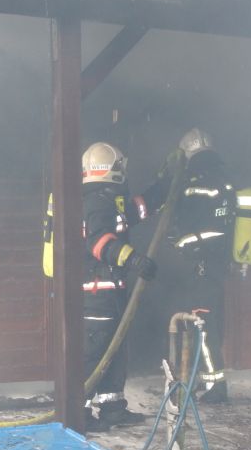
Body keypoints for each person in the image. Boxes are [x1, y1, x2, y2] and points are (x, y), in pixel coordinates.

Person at [81, 141, 172, 431]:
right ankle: (78, 412)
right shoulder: (95, 202)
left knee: (115, 349)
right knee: (95, 352)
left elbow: (135, 211)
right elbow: (98, 242)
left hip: (111, 291)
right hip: (96, 293)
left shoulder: (108, 200)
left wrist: (163, 187)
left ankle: (112, 409)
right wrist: (135, 260)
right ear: (115, 170)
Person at [168, 128, 235, 404]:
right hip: (215, 265)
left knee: (203, 325)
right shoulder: (222, 180)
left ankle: (215, 386)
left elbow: (189, 224)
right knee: (207, 323)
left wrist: (179, 243)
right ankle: (203, 379)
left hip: (202, 266)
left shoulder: (195, 184)